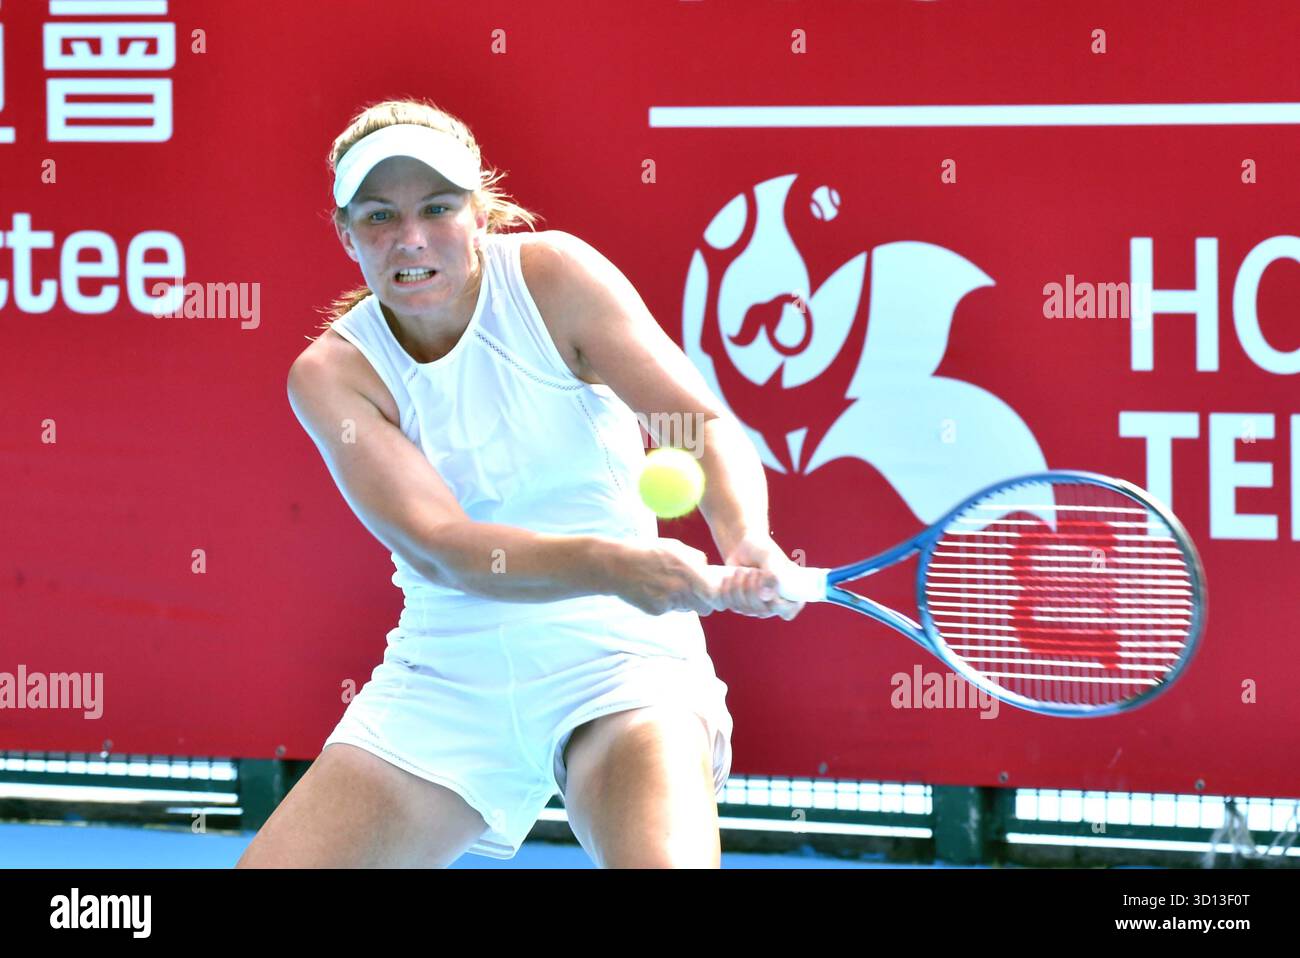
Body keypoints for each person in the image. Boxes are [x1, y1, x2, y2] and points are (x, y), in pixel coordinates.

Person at [236, 98, 805, 869]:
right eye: (379, 217)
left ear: (481, 212)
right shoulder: (332, 375)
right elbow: (447, 549)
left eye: (438, 208)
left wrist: (745, 537)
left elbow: (692, 424)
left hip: (621, 662)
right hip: (446, 677)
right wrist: (620, 566)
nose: (411, 239)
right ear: (346, 234)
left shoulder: (555, 276)